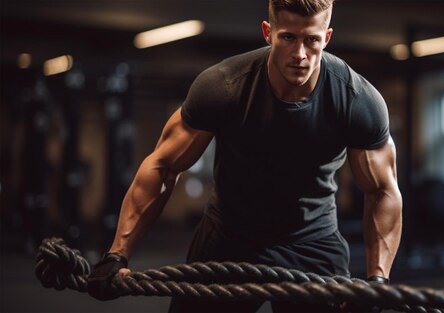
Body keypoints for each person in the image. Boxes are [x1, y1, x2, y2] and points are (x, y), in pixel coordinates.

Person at [87, 0, 403, 311]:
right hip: (228, 237)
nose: (300, 54)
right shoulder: (224, 85)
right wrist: (118, 254)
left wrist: (377, 280)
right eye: (288, 38)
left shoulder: (355, 98)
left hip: (313, 241)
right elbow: (163, 167)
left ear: (327, 37)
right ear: (268, 32)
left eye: (312, 40)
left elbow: (382, 190)